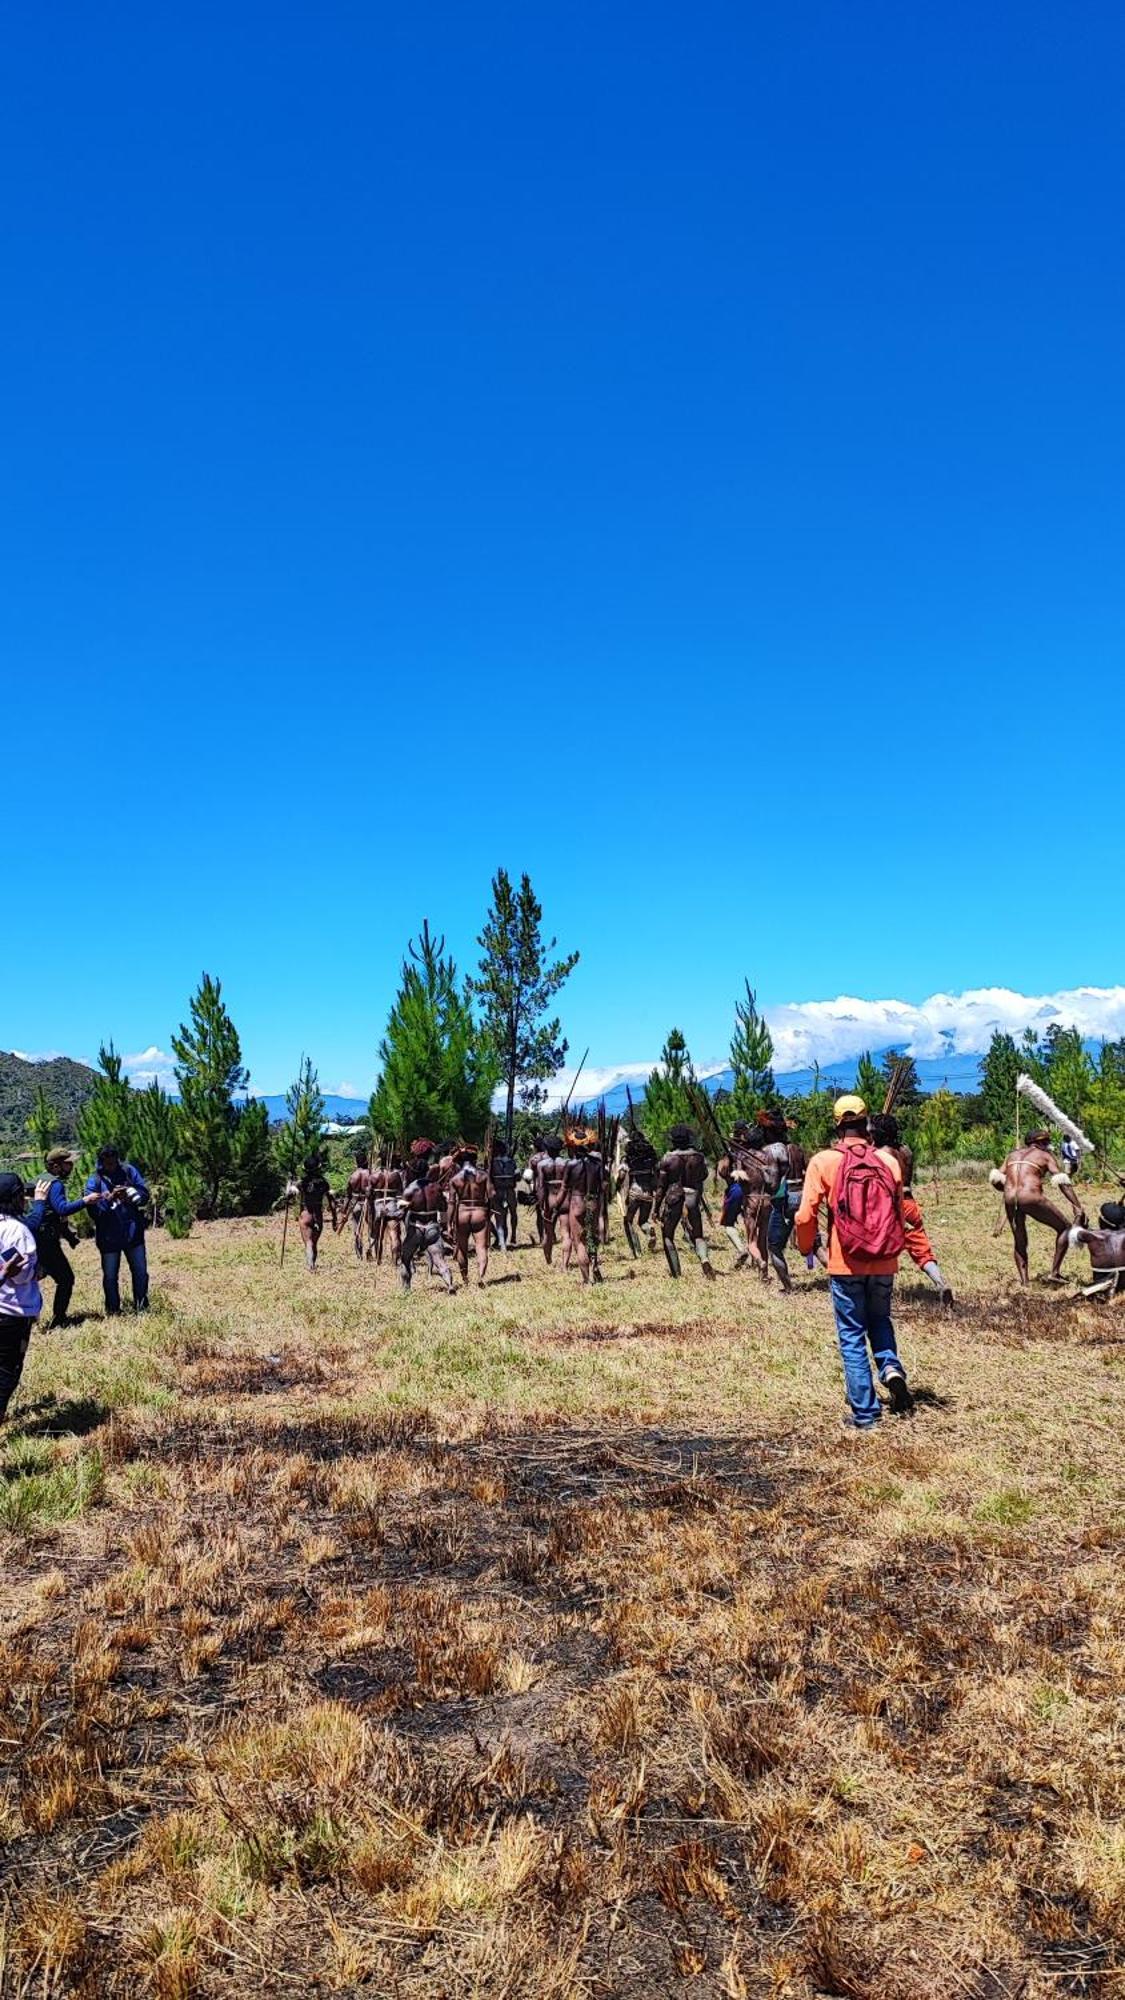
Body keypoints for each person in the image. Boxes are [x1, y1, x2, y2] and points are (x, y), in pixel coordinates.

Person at [795, 1094, 913, 1428]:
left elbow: (805, 1216)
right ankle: (890, 1368)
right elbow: (897, 1211)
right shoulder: (889, 1162)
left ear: (837, 1123)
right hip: (884, 1259)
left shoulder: (823, 1161)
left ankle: (865, 1413)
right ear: (867, 1122)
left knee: (851, 1334)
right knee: (881, 1320)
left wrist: (807, 1247)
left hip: (845, 1261)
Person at [870, 1112, 953, 1304]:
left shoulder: (879, 1154)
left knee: (879, 1247)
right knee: (921, 1248)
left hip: (890, 1205)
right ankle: (940, 1282)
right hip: (910, 1202)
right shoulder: (906, 1151)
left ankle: (878, 1292)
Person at [990, 1130, 1085, 1285]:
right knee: (1065, 1228)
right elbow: (1062, 1182)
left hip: (1010, 1198)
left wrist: (1007, 1190)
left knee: (1020, 1239)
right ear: (1040, 1142)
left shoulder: (1012, 1155)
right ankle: (1054, 1273)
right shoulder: (1045, 1156)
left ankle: (1025, 1282)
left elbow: (995, 1178)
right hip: (1030, 1197)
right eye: (1047, 1142)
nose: (1048, 1145)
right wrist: (1077, 1206)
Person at [26, 1147, 100, 1326]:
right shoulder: (56, 1184)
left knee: (34, 1276)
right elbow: (62, 1209)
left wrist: (68, 1236)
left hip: (34, 1238)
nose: (72, 1166)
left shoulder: (38, 1180)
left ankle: (28, 1317)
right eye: (68, 1163)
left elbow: (52, 1214)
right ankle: (59, 1320)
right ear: (56, 1166)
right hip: (46, 1240)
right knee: (66, 1278)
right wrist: (85, 1200)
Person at [85, 1144, 151, 1315]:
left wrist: (130, 1194)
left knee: (140, 1273)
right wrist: (110, 1198)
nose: (111, 1166)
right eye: (107, 1163)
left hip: (133, 1233)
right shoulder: (95, 1180)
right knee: (110, 1276)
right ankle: (113, 1310)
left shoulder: (129, 1172)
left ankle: (142, 1306)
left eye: (114, 1163)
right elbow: (94, 1212)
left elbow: (144, 1195)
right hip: (108, 1238)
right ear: (101, 1162)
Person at [0, 1172, 41, 1424]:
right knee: (6, 1373)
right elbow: (22, 1275)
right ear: (13, 1199)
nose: (25, 1200)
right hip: (12, 1312)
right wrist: (38, 1270)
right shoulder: (17, 1230)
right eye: (22, 1196)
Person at [653, 1124, 715, 1280]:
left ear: (673, 1140)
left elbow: (661, 1187)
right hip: (693, 1197)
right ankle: (704, 1259)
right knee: (698, 1235)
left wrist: (655, 1209)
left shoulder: (667, 1158)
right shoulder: (698, 1157)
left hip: (674, 1197)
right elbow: (703, 1176)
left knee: (668, 1236)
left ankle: (676, 1273)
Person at [550, 1128, 605, 1284]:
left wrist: (555, 1207)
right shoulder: (597, 1163)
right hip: (593, 1202)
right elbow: (603, 1186)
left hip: (577, 1203)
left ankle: (587, 1280)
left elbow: (564, 1189)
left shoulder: (571, 1165)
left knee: (579, 1242)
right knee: (592, 1238)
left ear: (573, 1146)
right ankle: (594, 1265)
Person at [398, 1158, 455, 1292]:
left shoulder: (410, 1189)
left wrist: (390, 1212)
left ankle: (406, 1289)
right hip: (432, 1228)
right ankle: (449, 1284)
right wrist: (445, 1225)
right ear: (427, 1171)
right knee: (439, 1260)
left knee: (406, 1258)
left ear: (413, 1172)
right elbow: (443, 1207)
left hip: (415, 1228)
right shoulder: (436, 1187)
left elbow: (401, 1212)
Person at [448, 1143, 494, 1286]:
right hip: (479, 1211)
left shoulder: (454, 1179)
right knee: (481, 1247)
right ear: (474, 1159)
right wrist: (489, 1211)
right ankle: (480, 1277)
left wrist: (449, 1223)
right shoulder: (483, 1175)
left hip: (462, 1212)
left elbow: (451, 1203)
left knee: (462, 1247)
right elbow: (492, 1195)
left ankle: (465, 1279)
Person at [617, 1126, 658, 1256]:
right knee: (643, 1221)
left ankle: (636, 1250)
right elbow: (657, 1174)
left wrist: (617, 1184)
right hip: (648, 1194)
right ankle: (648, 1230)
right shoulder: (650, 1160)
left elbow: (622, 1175)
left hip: (634, 1193)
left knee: (628, 1221)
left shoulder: (628, 1159)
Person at [297, 1155, 337, 1271]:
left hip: (306, 1214)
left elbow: (289, 1194)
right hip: (318, 1215)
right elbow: (332, 1202)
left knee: (308, 1242)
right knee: (314, 1242)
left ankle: (310, 1266)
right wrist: (334, 1219)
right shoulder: (324, 1183)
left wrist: (289, 1184)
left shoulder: (302, 1183)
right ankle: (313, 1264)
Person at [533, 1134, 566, 1264]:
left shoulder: (541, 1165)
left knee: (548, 1232)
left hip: (550, 1199)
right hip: (564, 1200)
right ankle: (565, 1263)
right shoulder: (565, 1163)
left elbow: (540, 1187)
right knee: (566, 1232)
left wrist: (541, 1204)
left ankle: (548, 1260)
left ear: (546, 1147)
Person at [339, 1147, 372, 1261]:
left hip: (355, 1205)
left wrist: (344, 1210)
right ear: (366, 1161)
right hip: (367, 1204)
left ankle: (359, 1253)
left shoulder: (353, 1176)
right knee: (371, 1229)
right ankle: (371, 1250)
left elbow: (348, 1195)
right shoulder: (370, 1174)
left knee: (357, 1230)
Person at [489, 1137, 519, 1250]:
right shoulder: (512, 1162)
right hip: (510, 1191)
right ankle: (513, 1235)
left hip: (498, 1191)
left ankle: (503, 1244)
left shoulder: (492, 1163)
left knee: (500, 1218)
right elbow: (517, 1177)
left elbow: (489, 1178)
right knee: (513, 1213)